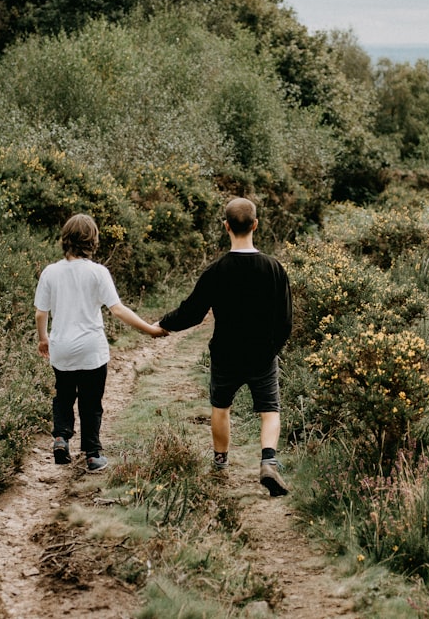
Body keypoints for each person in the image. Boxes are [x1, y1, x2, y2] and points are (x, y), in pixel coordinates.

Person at [159, 197, 293, 496]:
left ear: (226, 226)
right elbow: (285, 321)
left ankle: (220, 464)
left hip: (226, 353)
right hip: (262, 354)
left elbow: (192, 312)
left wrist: (163, 325)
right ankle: (268, 461)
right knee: (270, 410)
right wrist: (272, 349)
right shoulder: (274, 268)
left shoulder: (216, 270)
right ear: (256, 224)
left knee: (221, 407)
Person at [34, 213, 166, 473]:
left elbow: (41, 313)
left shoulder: (50, 272)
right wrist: (149, 329)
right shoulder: (98, 272)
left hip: (61, 347)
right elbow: (117, 310)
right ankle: (93, 455)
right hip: (91, 349)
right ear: (92, 240)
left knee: (63, 395)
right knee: (91, 402)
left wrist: (43, 339)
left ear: (66, 239)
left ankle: (61, 437)